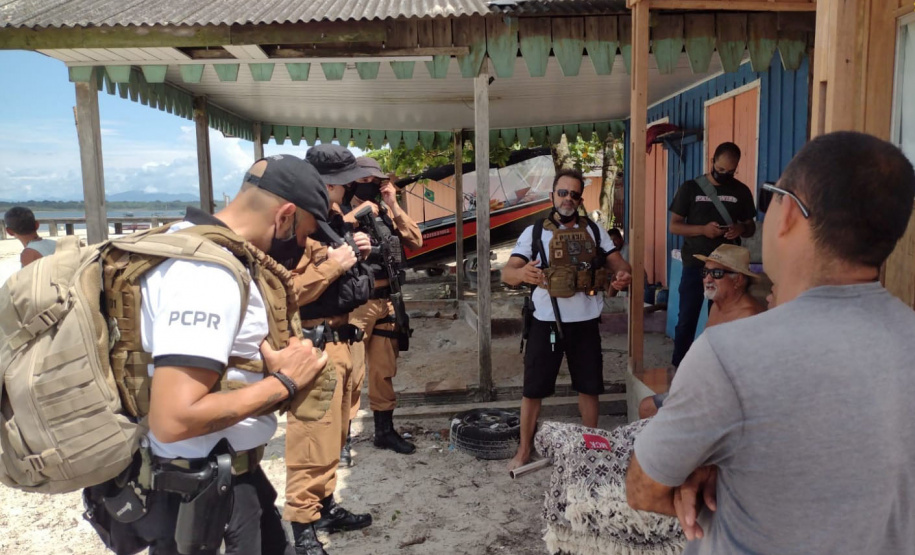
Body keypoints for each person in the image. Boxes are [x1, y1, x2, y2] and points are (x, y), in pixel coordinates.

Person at [626, 131, 915, 554]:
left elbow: (643, 489)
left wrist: (711, 474)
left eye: (772, 198)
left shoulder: (730, 355)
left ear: (790, 214)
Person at [130, 154, 331, 555]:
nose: (303, 246)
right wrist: (285, 383)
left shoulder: (190, 244)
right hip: (203, 497)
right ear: (285, 216)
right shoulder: (206, 274)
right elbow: (174, 418)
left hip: (219, 478)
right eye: (305, 233)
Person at [502, 168, 632, 471]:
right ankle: (524, 449)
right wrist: (522, 274)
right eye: (563, 192)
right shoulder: (535, 232)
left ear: (580, 199)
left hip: (585, 323)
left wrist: (623, 275)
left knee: (589, 386)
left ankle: (590, 448)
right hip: (547, 323)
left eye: (574, 194)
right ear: (552, 196)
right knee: (533, 388)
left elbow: (621, 265)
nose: (568, 198)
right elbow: (507, 273)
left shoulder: (594, 231)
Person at [284, 145, 376, 555]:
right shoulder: (295, 228)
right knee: (311, 441)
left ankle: (324, 507)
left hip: (342, 341)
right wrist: (335, 264)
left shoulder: (332, 222)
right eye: (341, 183)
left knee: (335, 435)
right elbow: (286, 292)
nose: (347, 189)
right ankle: (303, 531)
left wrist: (357, 251)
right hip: (315, 346)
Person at [344, 156, 423, 455]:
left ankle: (384, 432)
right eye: (363, 180)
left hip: (387, 301)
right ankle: (342, 440)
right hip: (357, 304)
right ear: (352, 181)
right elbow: (331, 235)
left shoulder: (386, 211)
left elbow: (416, 240)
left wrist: (394, 204)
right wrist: (359, 212)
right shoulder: (340, 210)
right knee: (351, 373)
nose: (370, 185)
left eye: (374, 181)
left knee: (383, 371)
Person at [637, 244, 763, 419]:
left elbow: (744, 376)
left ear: (738, 280)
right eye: (705, 272)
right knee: (647, 407)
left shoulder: (748, 316)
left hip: (727, 399)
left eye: (717, 273)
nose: (707, 279)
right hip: (706, 388)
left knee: (649, 408)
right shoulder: (718, 306)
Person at [668, 142, 757, 368]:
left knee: (721, 319)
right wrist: (703, 230)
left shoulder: (741, 191)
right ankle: (680, 367)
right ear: (712, 161)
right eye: (720, 169)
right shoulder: (690, 188)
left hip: (727, 268)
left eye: (730, 172)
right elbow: (674, 226)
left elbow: (751, 227)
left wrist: (740, 229)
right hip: (695, 264)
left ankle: (717, 368)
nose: (724, 175)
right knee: (686, 319)